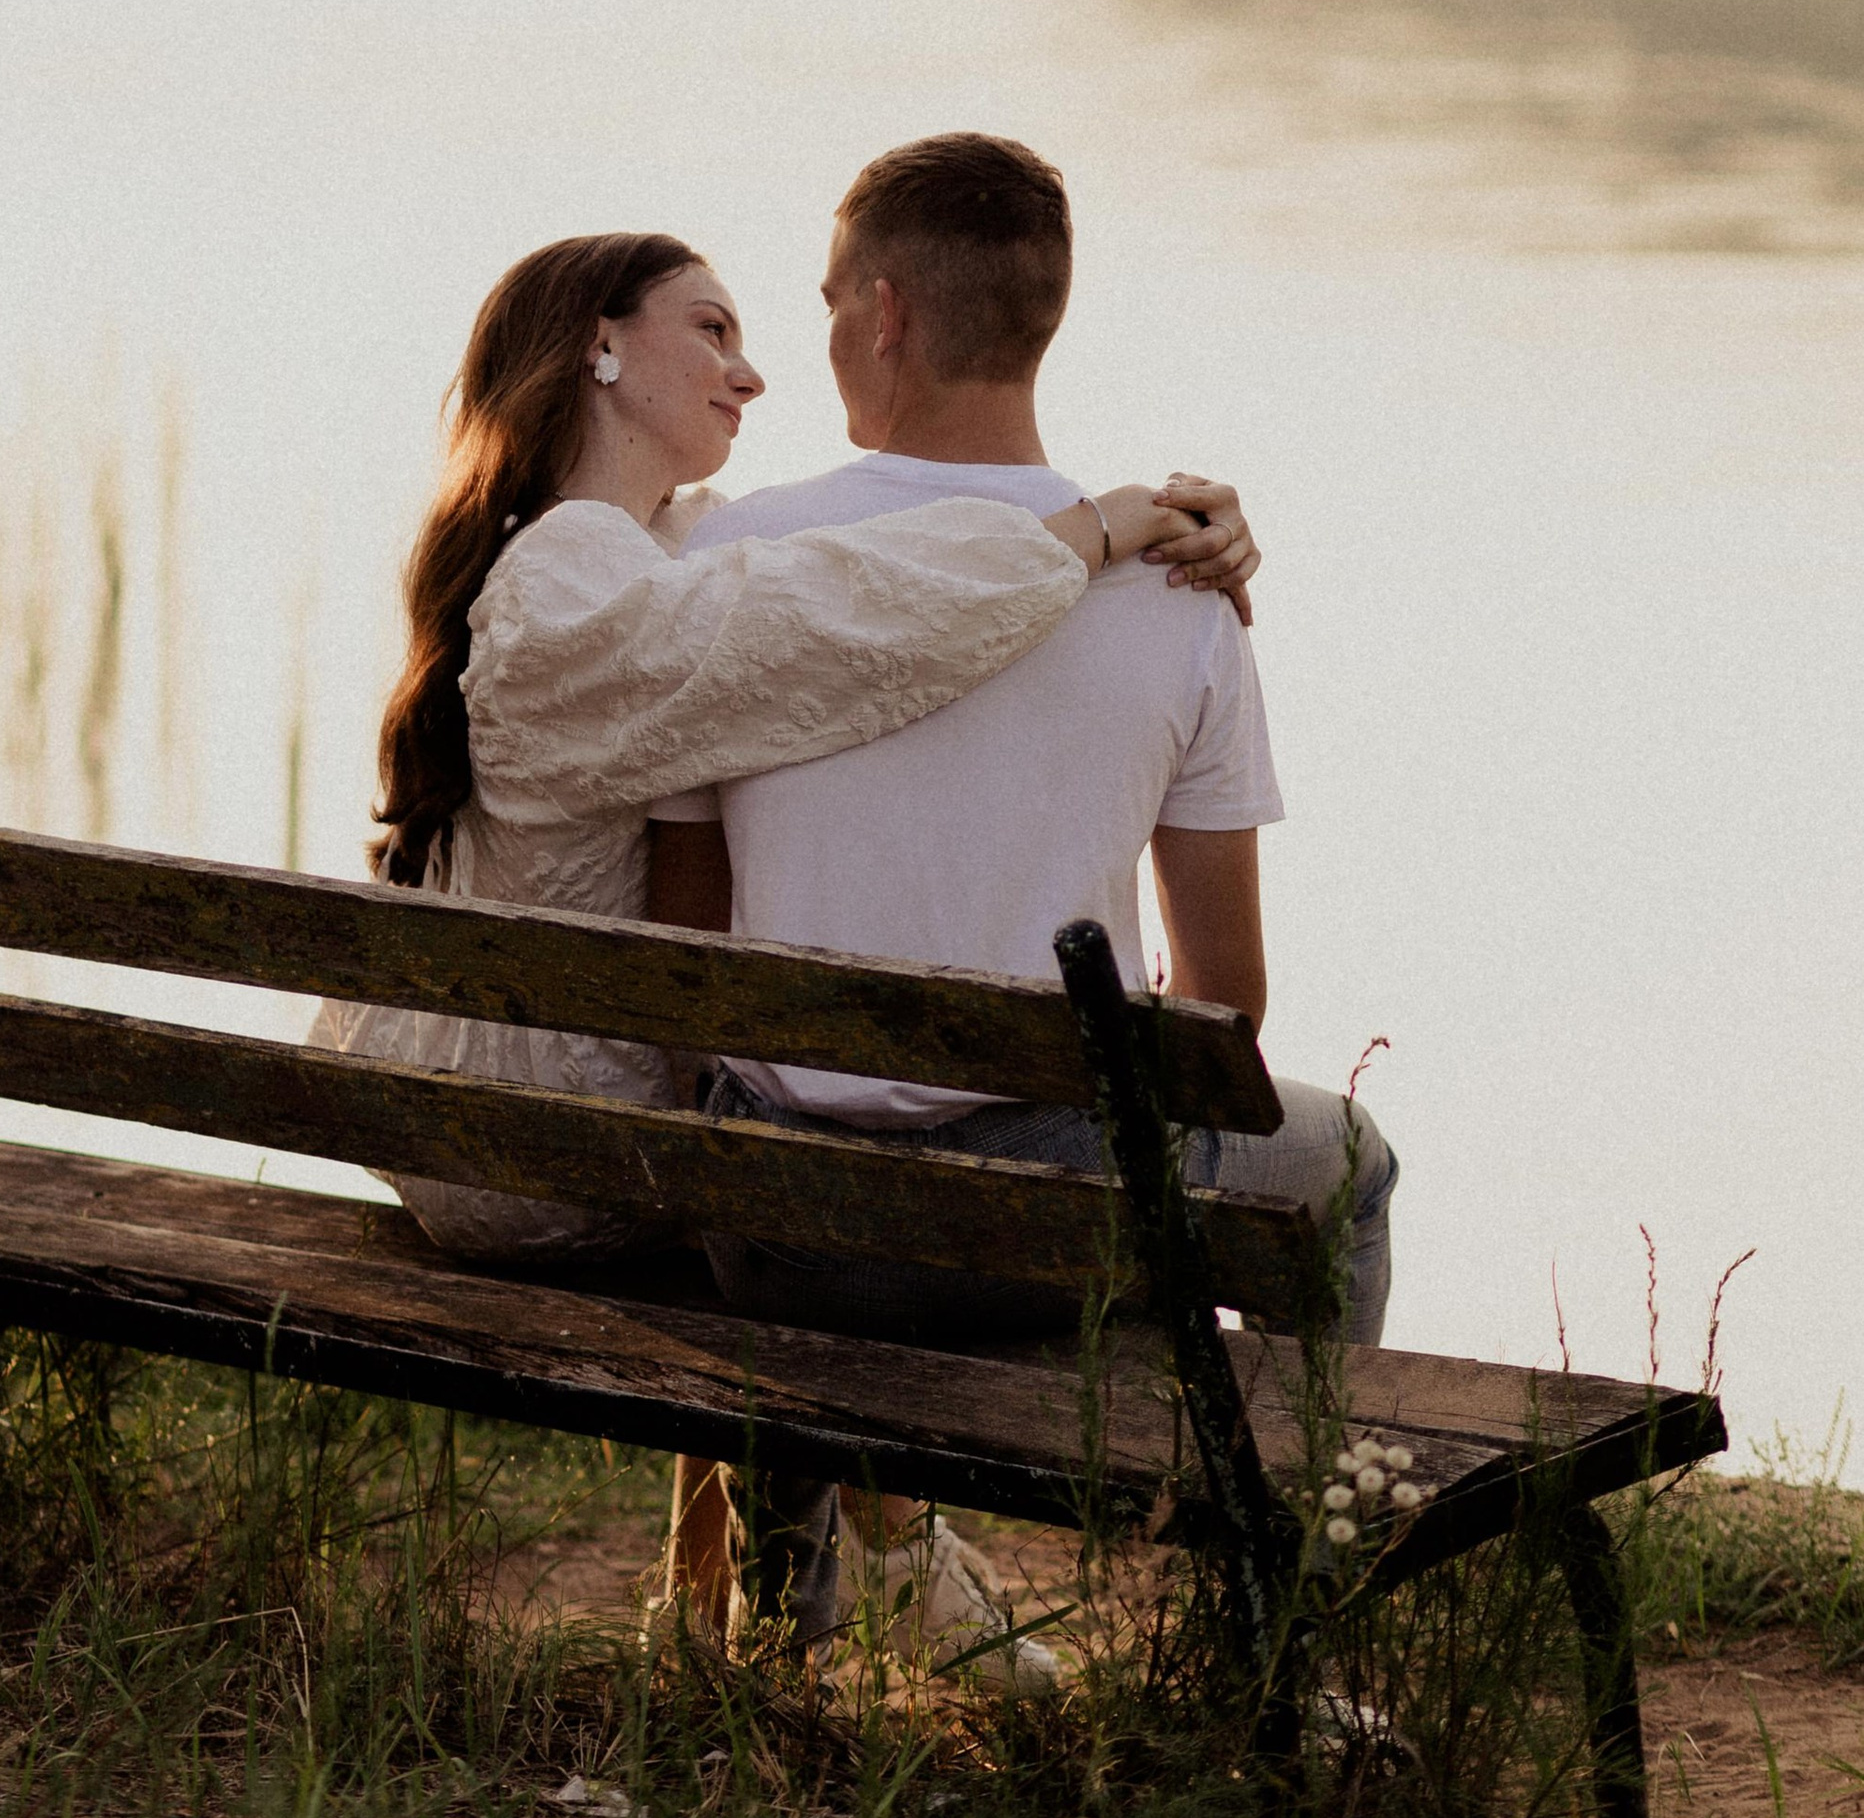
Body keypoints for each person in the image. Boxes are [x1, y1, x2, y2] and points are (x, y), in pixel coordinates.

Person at [644, 129, 1395, 1669]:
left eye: (831, 301)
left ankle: (775, 1595)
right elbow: (1226, 1013)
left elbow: (683, 950)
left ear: (889, 313)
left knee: (763, 1091)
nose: (822, 340)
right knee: (1350, 1171)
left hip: (783, 1234)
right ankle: (1281, 1624)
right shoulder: (1181, 596)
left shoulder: (730, 553)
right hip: (1051, 1234)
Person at [319, 226, 1258, 1268]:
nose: (752, 374)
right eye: (711, 329)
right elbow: (834, 614)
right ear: (601, 346)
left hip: (533, 1127)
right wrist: (1105, 523)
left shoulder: (648, 551)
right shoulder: (568, 575)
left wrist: (1188, 515)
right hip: (552, 1156)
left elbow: (837, 562)